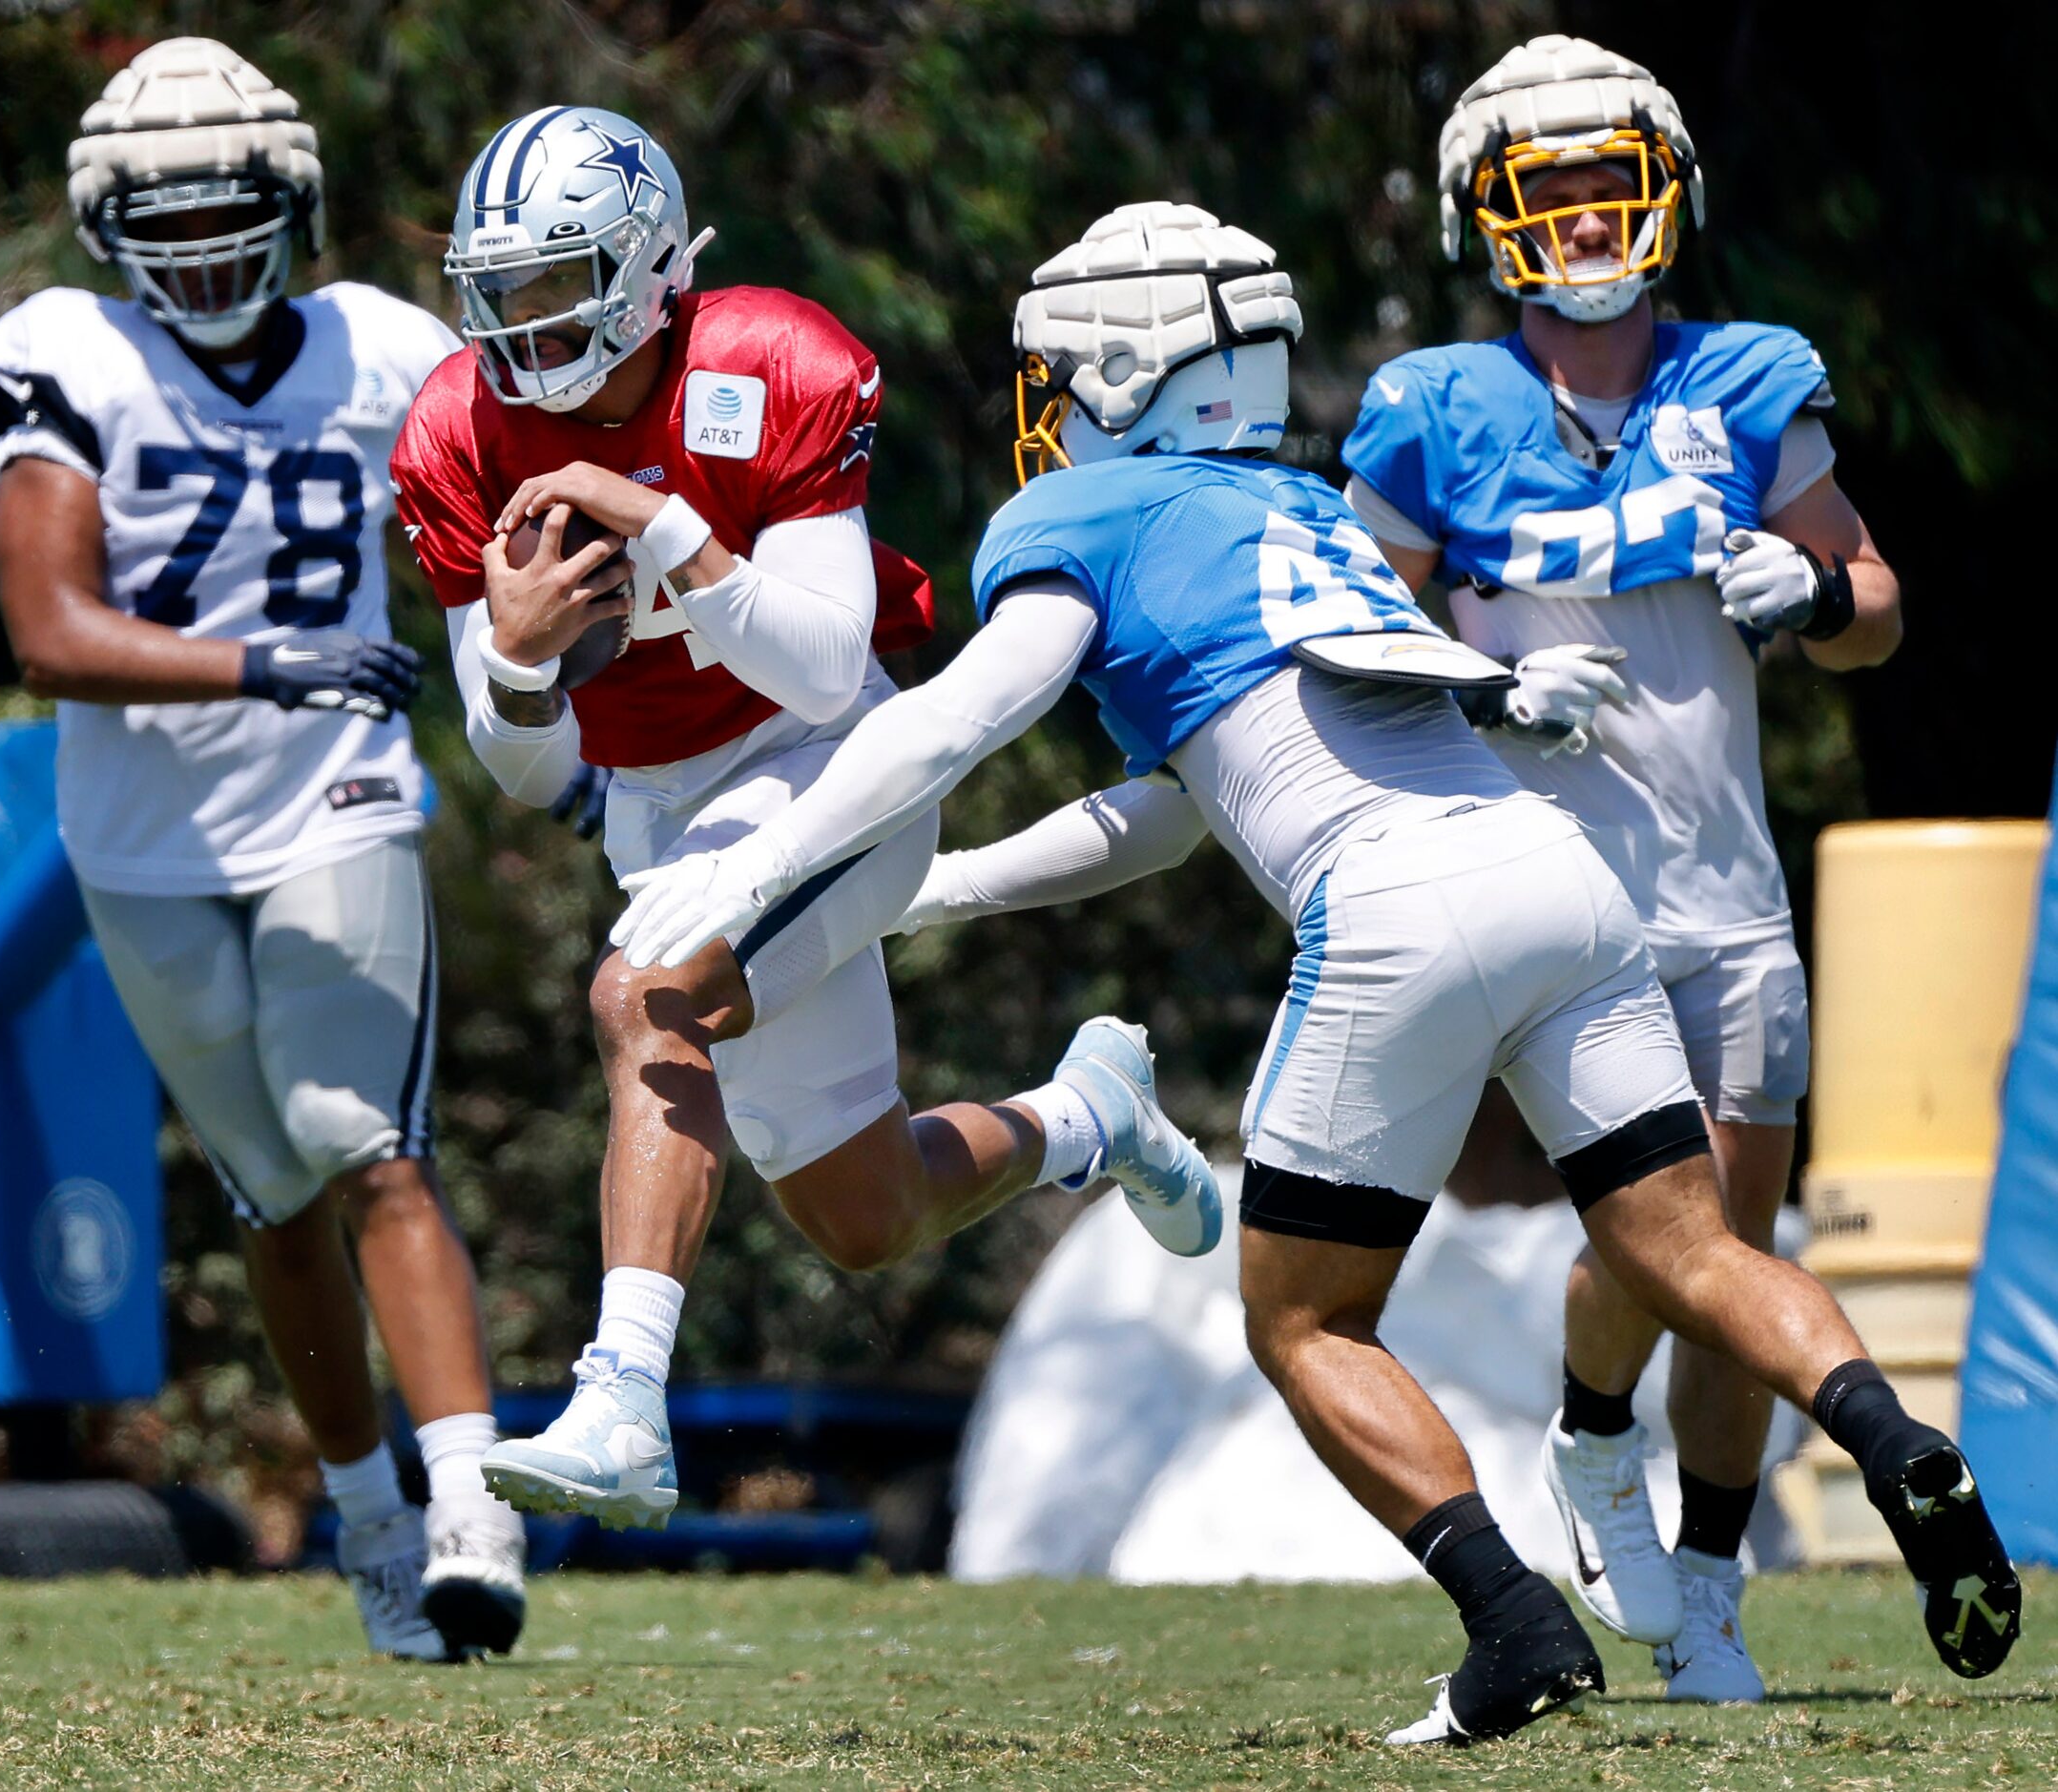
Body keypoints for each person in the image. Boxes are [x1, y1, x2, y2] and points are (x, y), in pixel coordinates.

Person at [608, 201, 2018, 1743]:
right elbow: (1170, 811)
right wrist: (936, 895)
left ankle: (1511, 1621)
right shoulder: (1304, 512)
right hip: (1561, 875)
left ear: (1117, 371)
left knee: (1301, 1320)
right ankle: (1890, 1438)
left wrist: (756, 873)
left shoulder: (1082, 519)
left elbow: (945, 723)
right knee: (1688, 1247)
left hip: (1396, 913)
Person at [389, 107, 1220, 1532]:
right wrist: (520, 665)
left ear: (649, 267)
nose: (522, 326)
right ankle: (1089, 1114)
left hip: (829, 780)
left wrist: (660, 530)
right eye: (500, 292)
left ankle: (620, 1401)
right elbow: (529, 776)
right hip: (656, 812)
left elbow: (830, 662)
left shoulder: (765, 363)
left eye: (556, 282)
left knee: (648, 997)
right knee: (864, 1213)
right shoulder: (458, 432)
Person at [1338, 34, 1904, 1704]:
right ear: (1491, 216)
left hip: (1725, 882)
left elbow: (1874, 602)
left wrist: (1813, 604)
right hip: (1556, 892)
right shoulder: (1437, 405)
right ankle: (1594, 1442)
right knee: (1657, 1243)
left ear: (1664, 191)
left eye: (1609, 183)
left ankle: (1711, 1585)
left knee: (1739, 1232)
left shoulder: (1741, 377)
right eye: (1549, 189)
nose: (1585, 219)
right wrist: (1487, 678)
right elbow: (1341, 632)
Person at [0, 38, 524, 1660]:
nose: (208, 258)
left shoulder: (382, 347)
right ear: (107, 232)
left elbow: (493, 532)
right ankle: (364, 1522)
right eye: (174, 228)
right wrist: (267, 660)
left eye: (235, 221)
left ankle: (471, 1502)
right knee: (275, 1192)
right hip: (145, 837)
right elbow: (49, 629)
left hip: (333, 796)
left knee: (372, 1142)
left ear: (293, 210)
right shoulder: (72, 356)